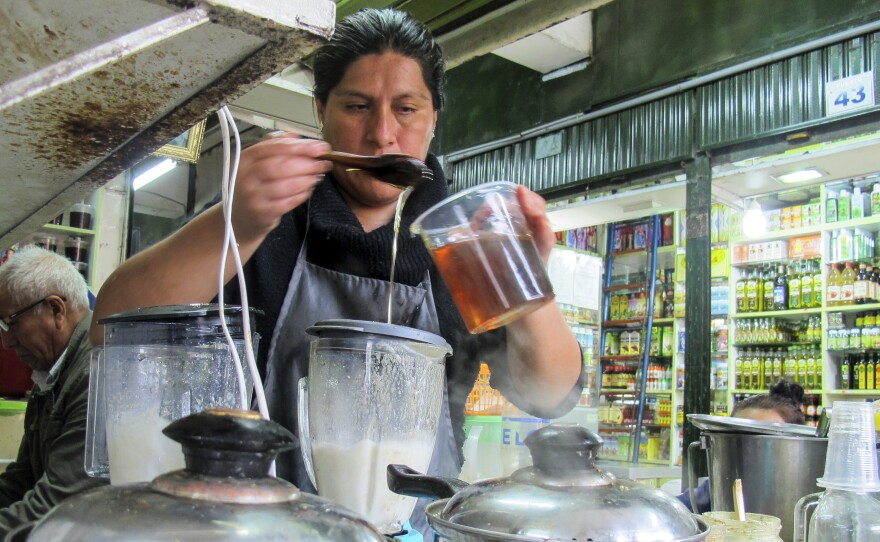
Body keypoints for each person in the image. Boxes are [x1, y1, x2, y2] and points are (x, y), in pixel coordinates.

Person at [91, 7, 583, 536]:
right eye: (357, 106)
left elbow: (548, 395)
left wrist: (528, 284)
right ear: (320, 109)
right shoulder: (268, 216)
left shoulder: (464, 240)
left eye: (407, 108)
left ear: (434, 117)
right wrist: (238, 220)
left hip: (412, 526)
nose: (382, 134)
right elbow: (112, 322)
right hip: (265, 526)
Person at [0, 246, 106, 536]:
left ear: (56, 309)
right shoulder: (49, 373)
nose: (6, 342)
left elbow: (57, 504)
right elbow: (22, 480)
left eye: (10, 323)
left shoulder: (96, 375)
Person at [677, 379, 806, 513]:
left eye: (765, 444)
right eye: (738, 441)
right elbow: (675, 509)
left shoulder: (807, 497)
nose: (749, 453)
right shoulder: (718, 487)